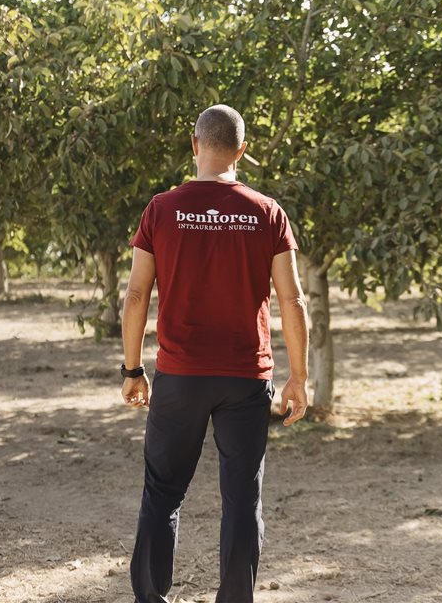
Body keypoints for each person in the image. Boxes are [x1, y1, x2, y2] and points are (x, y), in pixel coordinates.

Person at [121, 104, 309, 603]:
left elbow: (136, 295)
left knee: (163, 492)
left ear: (194, 145)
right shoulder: (267, 212)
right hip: (246, 378)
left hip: (180, 376)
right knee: (242, 499)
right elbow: (292, 300)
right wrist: (299, 377)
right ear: (241, 150)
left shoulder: (161, 209)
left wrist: (133, 368)